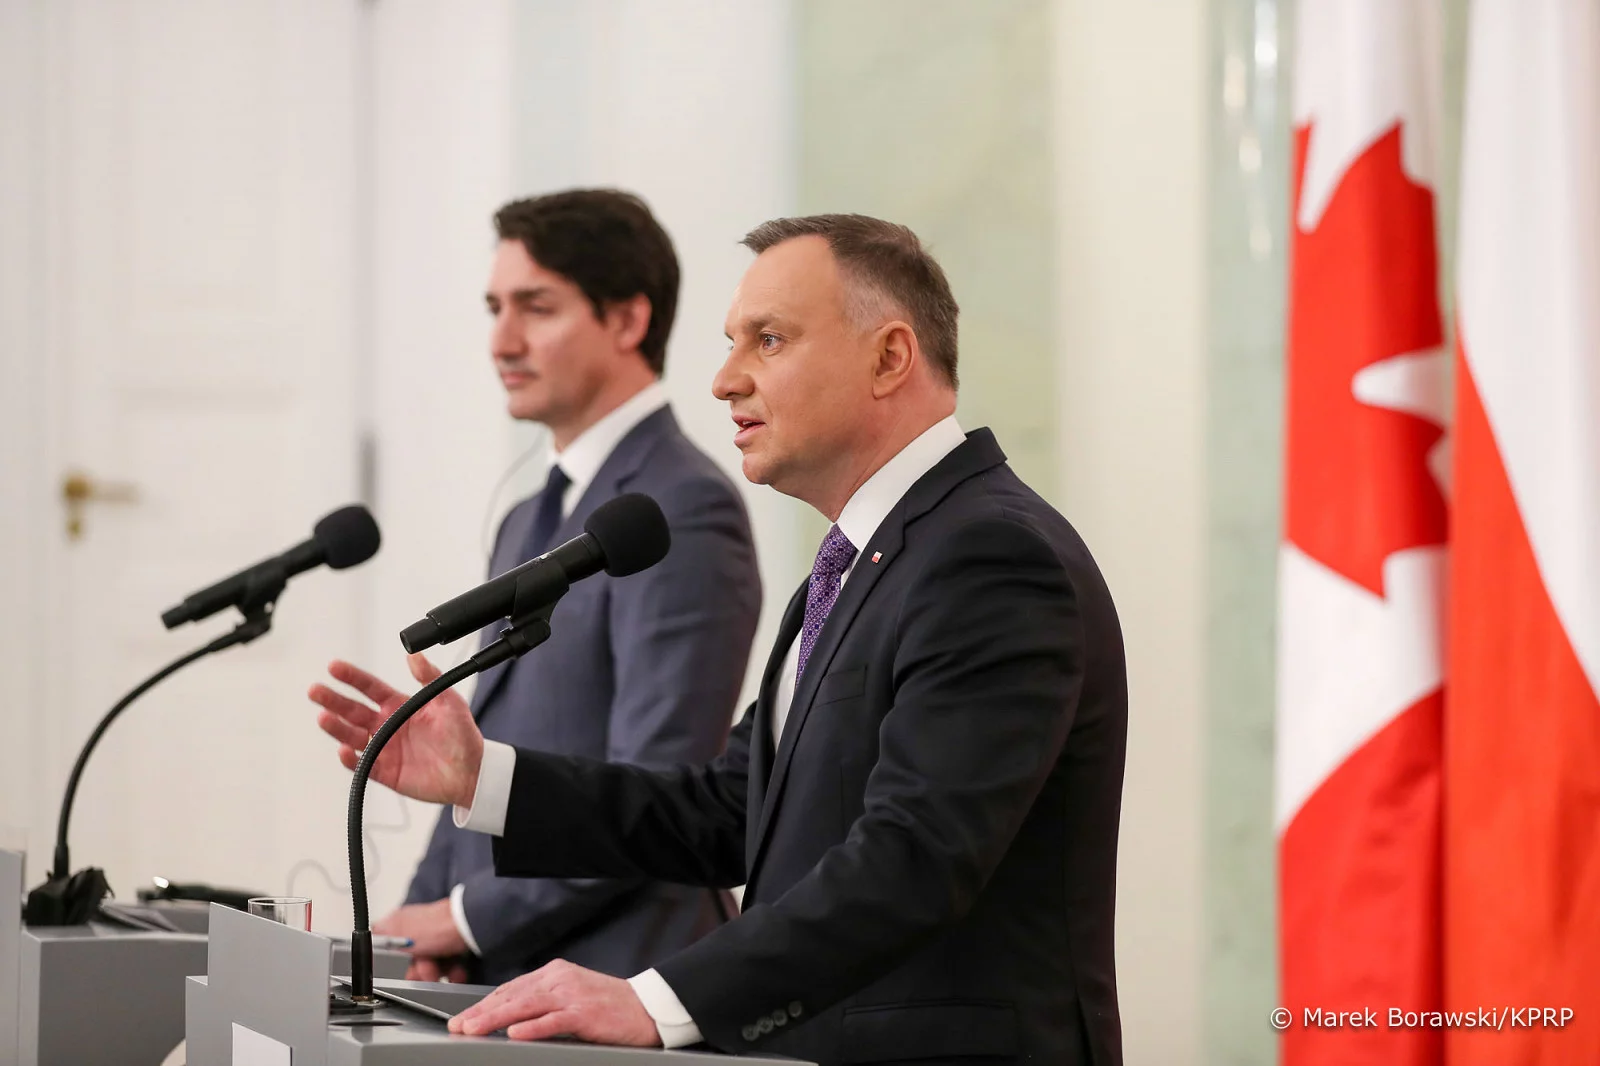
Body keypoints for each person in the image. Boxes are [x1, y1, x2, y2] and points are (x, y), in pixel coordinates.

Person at [317, 213, 1127, 1065]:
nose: (723, 380)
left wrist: (655, 999)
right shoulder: (861, 555)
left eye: (767, 341)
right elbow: (728, 810)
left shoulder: (989, 556)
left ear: (891, 357)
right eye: (731, 342)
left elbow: (914, 859)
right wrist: (486, 779)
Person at [309, 189, 761, 987]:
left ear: (626, 320)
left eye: (536, 308)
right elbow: (471, 765)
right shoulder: (528, 516)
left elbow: (662, 787)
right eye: (494, 308)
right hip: (497, 970)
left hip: (614, 974)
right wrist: (411, 939)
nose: (502, 341)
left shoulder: (680, 506)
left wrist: (461, 922)